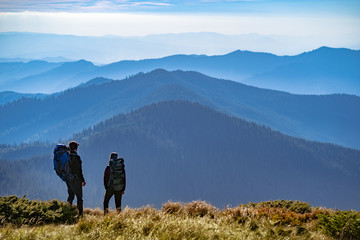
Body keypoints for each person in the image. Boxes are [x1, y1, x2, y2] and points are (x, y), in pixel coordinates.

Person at [67, 141, 86, 217]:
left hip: (68, 179)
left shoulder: (67, 156)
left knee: (71, 195)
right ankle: (80, 214)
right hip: (76, 179)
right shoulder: (76, 157)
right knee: (79, 197)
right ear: (76, 148)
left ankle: (67, 212)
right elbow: (79, 170)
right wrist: (83, 180)